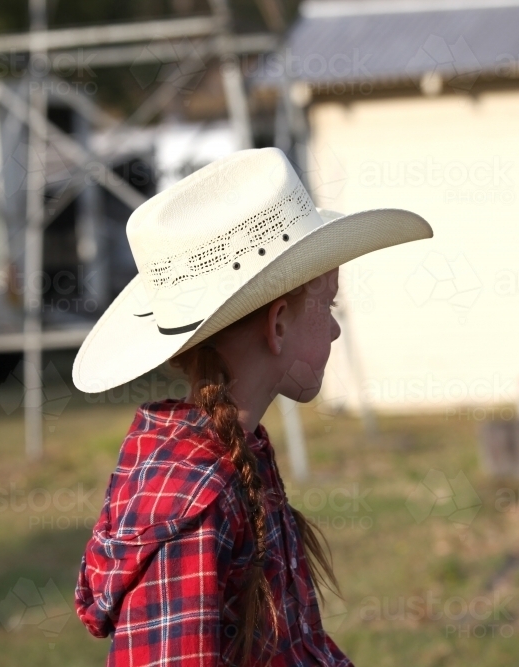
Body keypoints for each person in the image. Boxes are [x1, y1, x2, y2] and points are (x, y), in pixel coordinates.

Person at [70, 147, 433, 666]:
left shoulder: (241, 452)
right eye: (326, 305)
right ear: (278, 324)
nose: (333, 327)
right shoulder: (196, 507)